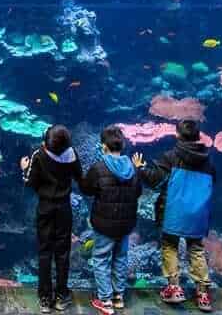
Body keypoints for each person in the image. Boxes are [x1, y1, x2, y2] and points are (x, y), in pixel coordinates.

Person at [132, 119, 216, 312]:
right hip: (198, 213)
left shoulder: (171, 156)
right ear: (198, 136)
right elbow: (211, 183)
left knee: (169, 246)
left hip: (173, 211)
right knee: (196, 249)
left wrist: (141, 168)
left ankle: (174, 288)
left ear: (177, 135)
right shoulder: (207, 160)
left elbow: (157, 182)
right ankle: (203, 293)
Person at [79, 125, 143, 315]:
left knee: (101, 259)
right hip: (125, 224)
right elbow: (137, 192)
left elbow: (86, 189)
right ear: (121, 146)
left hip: (104, 224)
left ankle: (105, 301)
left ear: (103, 146)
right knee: (121, 258)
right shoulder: (132, 168)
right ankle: (118, 297)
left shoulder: (99, 168)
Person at [20, 125, 83, 313]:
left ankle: (45, 298)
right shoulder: (72, 154)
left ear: (46, 143)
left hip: (46, 209)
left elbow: (30, 182)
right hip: (64, 208)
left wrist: (24, 169)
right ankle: (61, 296)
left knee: (45, 251)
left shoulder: (38, 155)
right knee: (63, 252)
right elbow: (79, 176)